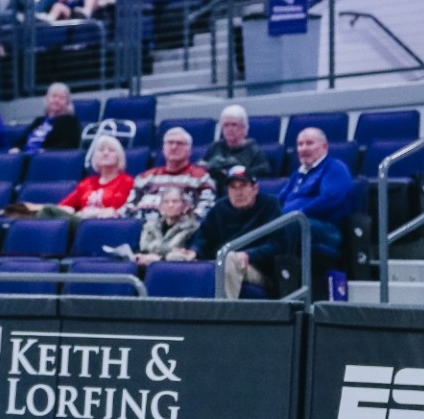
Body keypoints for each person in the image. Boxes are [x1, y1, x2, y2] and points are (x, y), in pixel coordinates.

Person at [194, 166, 286, 298]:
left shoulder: (269, 205)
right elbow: (203, 237)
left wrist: (250, 254)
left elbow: (278, 244)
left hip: (259, 269)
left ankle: (223, 310)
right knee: (177, 257)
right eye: (233, 187)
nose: (238, 192)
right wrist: (194, 250)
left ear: (255, 189)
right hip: (223, 262)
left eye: (243, 186)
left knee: (229, 258)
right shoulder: (219, 208)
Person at [280, 127, 353, 271]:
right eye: (300, 144)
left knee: (290, 225)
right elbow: (280, 199)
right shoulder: (297, 174)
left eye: (309, 143)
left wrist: (298, 214)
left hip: (327, 229)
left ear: (324, 146)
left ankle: (288, 276)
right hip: (295, 222)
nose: (303, 148)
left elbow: (329, 199)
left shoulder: (335, 168)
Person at [130, 128, 216, 218]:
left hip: (182, 224)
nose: (174, 147)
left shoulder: (201, 178)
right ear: (163, 149)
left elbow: (206, 208)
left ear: (189, 151)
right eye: (170, 143)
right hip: (143, 222)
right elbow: (129, 205)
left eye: (180, 143)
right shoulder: (145, 177)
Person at [54, 135, 134, 218]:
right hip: (83, 222)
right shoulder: (86, 183)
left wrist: (84, 213)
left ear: (119, 157)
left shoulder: (126, 181)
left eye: (111, 150)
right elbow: (62, 207)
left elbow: (115, 210)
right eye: (101, 150)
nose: (105, 153)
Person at [203, 105, 271, 191]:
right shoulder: (214, 147)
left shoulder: (254, 150)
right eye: (226, 125)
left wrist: (234, 173)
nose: (229, 129)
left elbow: (264, 172)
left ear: (244, 127)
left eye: (234, 125)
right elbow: (203, 167)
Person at [135, 188, 200, 266]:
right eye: (166, 202)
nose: (170, 205)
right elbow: (143, 248)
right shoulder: (150, 226)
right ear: (160, 207)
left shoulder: (194, 228)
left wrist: (159, 259)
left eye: (175, 201)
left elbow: (185, 256)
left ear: (185, 206)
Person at [18, 82, 83, 154]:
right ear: (46, 99)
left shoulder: (71, 121)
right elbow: (22, 140)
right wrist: (16, 148)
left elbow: (70, 145)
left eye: (61, 98)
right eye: (54, 96)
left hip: (47, 157)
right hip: (26, 155)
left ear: (67, 103)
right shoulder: (38, 121)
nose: (57, 100)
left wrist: (46, 151)